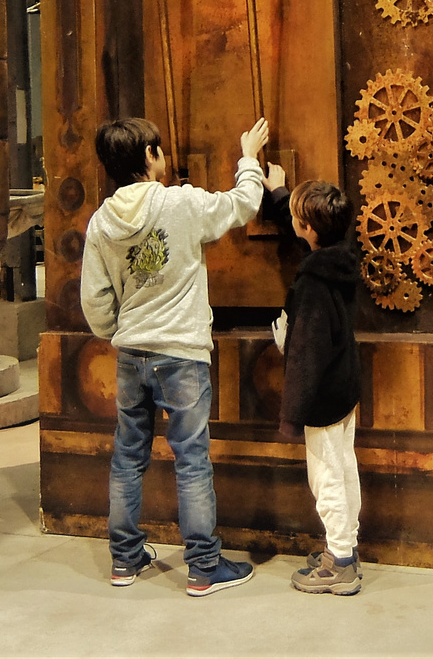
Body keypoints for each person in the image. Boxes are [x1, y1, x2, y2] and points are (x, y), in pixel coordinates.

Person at [80, 115, 269, 596]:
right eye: (159, 148)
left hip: (131, 354)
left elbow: (95, 300)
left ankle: (125, 561)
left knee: (127, 456)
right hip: (182, 355)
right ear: (148, 156)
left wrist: (118, 331)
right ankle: (204, 566)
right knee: (191, 460)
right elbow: (243, 204)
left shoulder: (102, 222)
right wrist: (248, 158)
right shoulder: (182, 202)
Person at [263, 173, 364, 596]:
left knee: (324, 476)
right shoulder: (342, 256)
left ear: (307, 229)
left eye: (295, 218)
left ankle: (339, 562)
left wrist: (293, 412)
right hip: (344, 384)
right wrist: (279, 192)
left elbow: (304, 353)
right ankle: (348, 546)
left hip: (321, 393)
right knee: (344, 467)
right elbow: (309, 220)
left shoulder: (310, 285)